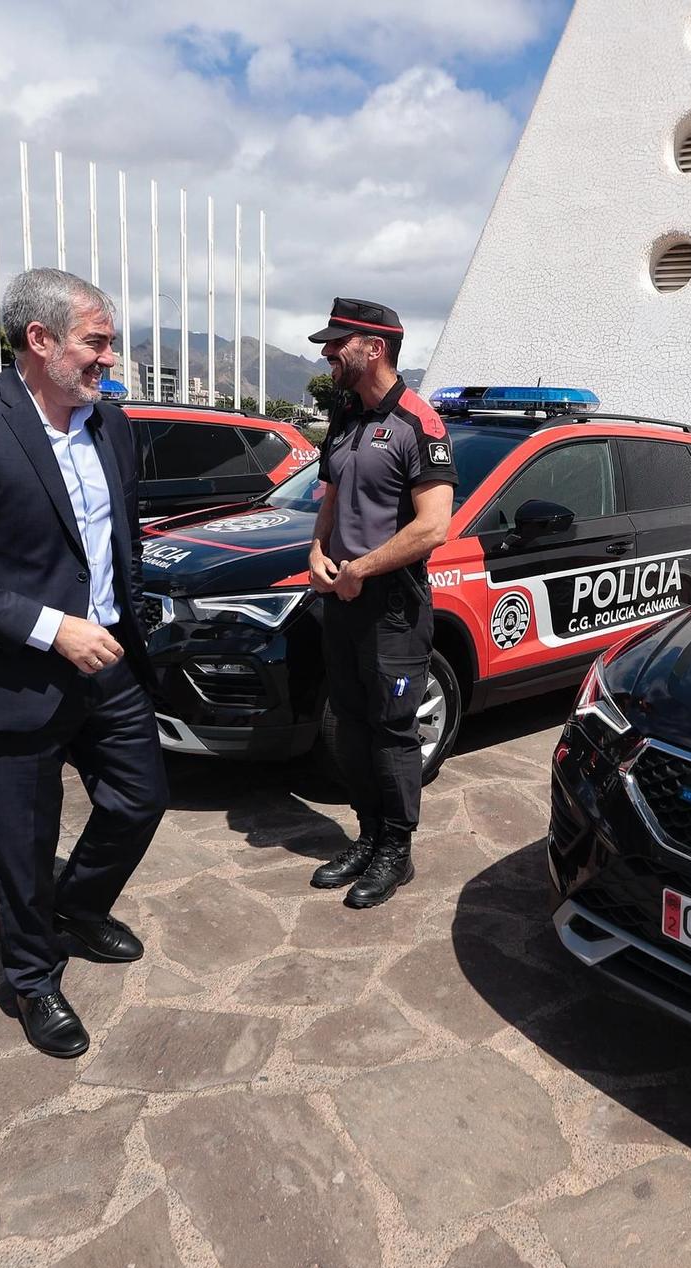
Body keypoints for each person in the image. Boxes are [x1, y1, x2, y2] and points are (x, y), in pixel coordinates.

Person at [0, 268, 167, 1060]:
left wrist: (123, 615)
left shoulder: (112, 426)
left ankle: (76, 908)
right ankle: (34, 975)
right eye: (97, 341)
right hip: (10, 673)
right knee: (22, 839)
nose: (108, 359)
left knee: (140, 798)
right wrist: (52, 628)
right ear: (40, 340)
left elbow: (121, 541)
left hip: (107, 657)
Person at [303, 299, 456, 908]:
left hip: (393, 605)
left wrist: (360, 569)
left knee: (393, 732)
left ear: (374, 346)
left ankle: (397, 849)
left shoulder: (422, 423)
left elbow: (433, 526)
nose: (326, 353)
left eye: (337, 342)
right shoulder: (345, 418)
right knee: (349, 724)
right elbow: (332, 499)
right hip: (341, 599)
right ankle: (367, 836)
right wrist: (317, 554)